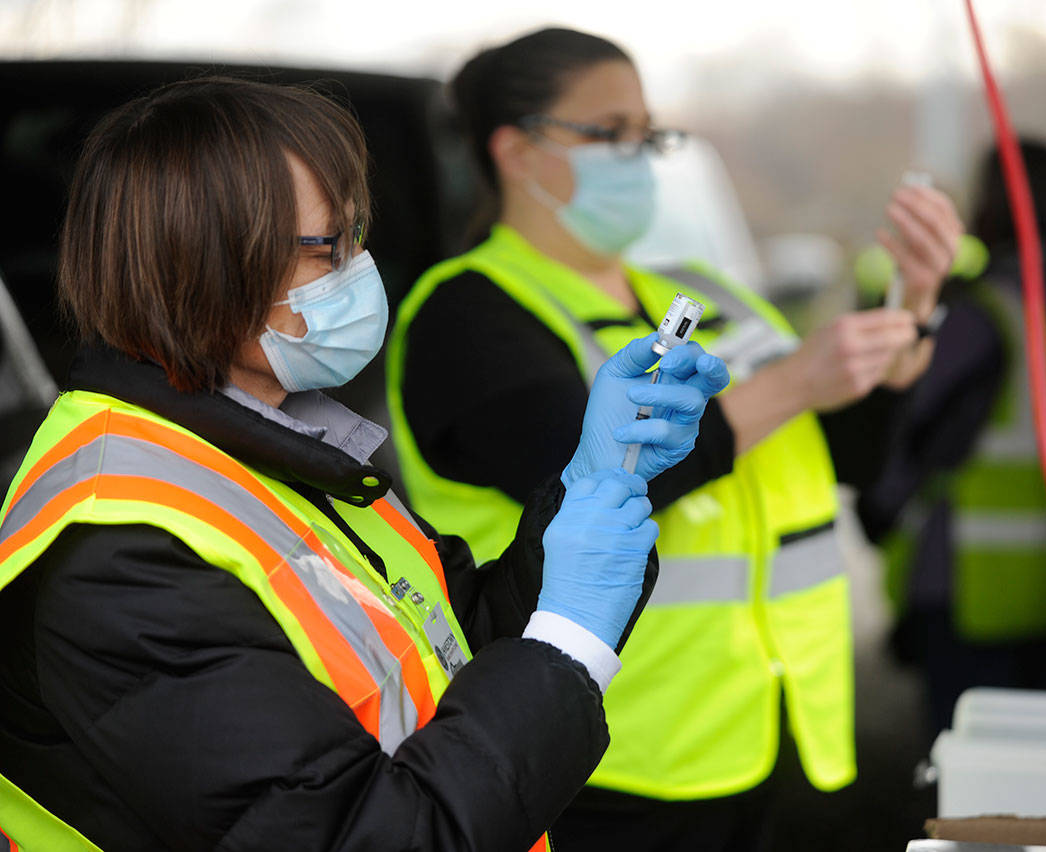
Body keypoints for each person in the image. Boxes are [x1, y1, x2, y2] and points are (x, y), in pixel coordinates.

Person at [0, 76, 728, 851]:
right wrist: (566, 646)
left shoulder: (272, 447)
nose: (360, 270)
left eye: (358, 237)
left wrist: (595, 480)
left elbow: (443, 648)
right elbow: (369, 837)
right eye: (329, 248)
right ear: (203, 265)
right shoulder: (123, 557)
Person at [385, 28, 964, 850]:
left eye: (646, 134)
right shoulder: (466, 314)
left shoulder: (701, 292)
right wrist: (796, 379)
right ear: (515, 149)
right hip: (592, 754)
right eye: (608, 132)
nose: (638, 155)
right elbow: (581, 478)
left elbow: (845, 451)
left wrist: (911, 314)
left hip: (749, 733)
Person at [858, 139, 1046, 735]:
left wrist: (878, 505)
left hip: (967, 584)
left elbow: (908, 420)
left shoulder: (983, 313)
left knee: (964, 760)